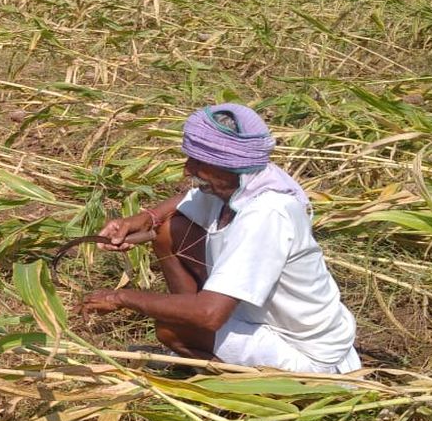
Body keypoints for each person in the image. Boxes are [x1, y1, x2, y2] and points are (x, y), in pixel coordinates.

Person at [81, 103, 360, 374]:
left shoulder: (267, 214)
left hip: (307, 354)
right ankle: (199, 349)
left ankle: (233, 376)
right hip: (254, 320)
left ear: (228, 165)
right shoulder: (240, 184)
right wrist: (144, 220)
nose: (187, 169)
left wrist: (120, 297)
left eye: (198, 162)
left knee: (172, 328)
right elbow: (185, 201)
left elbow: (209, 315)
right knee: (171, 231)